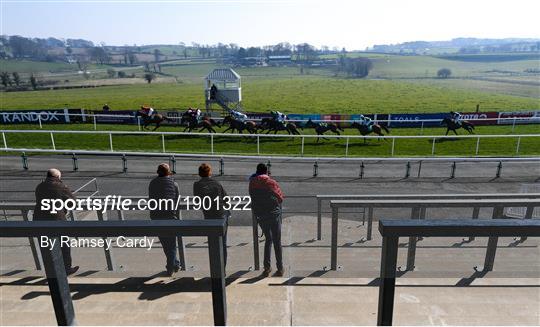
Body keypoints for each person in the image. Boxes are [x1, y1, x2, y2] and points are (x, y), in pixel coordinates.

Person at [33, 168, 79, 275]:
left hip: (40, 220)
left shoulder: (39, 186)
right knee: (64, 244)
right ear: (58, 177)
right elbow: (73, 203)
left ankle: (51, 270)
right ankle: (66, 268)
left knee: (46, 246)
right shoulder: (61, 186)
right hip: (56, 220)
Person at [249, 163, 285, 277]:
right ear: (266, 171)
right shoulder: (271, 182)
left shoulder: (252, 183)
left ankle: (267, 268)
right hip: (273, 215)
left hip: (261, 216)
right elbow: (280, 198)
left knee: (268, 239)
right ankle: (280, 268)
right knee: (277, 242)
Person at [193, 163, 229, 268]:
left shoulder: (197, 185)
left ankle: (215, 268)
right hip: (221, 215)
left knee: (212, 243)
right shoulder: (217, 183)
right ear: (210, 172)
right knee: (222, 244)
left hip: (209, 216)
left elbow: (197, 201)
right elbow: (226, 199)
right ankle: (223, 269)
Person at [148, 163, 181, 276]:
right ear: (168, 172)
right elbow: (177, 202)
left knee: (166, 244)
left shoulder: (152, 183)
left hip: (156, 216)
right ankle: (171, 266)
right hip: (170, 216)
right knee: (171, 244)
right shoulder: (174, 184)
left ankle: (175, 264)